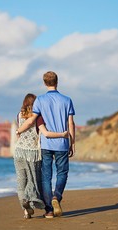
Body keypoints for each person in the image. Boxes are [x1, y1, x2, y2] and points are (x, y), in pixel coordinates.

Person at [16, 71, 75, 219]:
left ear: (44, 83)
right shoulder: (67, 100)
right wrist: (72, 143)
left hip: (46, 145)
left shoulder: (40, 100)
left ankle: (49, 210)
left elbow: (31, 121)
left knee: (46, 177)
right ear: (57, 82)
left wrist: (19, 131)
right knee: (62, 173)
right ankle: (57, 197)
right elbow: (70, 123)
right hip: (62, 143)